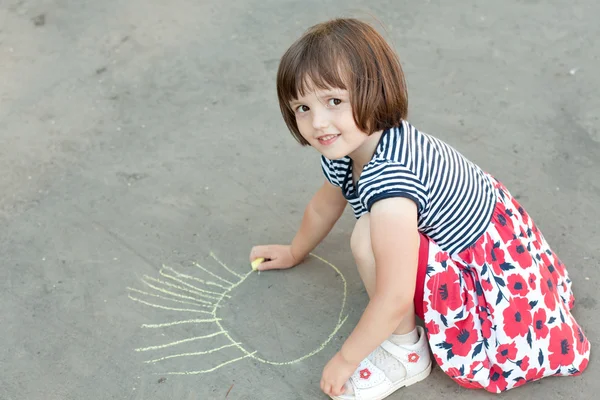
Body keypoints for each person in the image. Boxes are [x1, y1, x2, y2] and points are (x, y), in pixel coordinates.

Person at [249, 18, 590, 400]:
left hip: (487, 270)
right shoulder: (352, 143)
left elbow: (394, 296)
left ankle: (406, 352)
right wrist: (296, 250)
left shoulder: (391, 182)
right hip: (483, 231)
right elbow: (325, 203)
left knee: (366, 238)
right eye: (302, 107)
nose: (318, 123)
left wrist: (346, 359)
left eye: (334, 101)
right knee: (374, 230)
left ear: (373, 91)